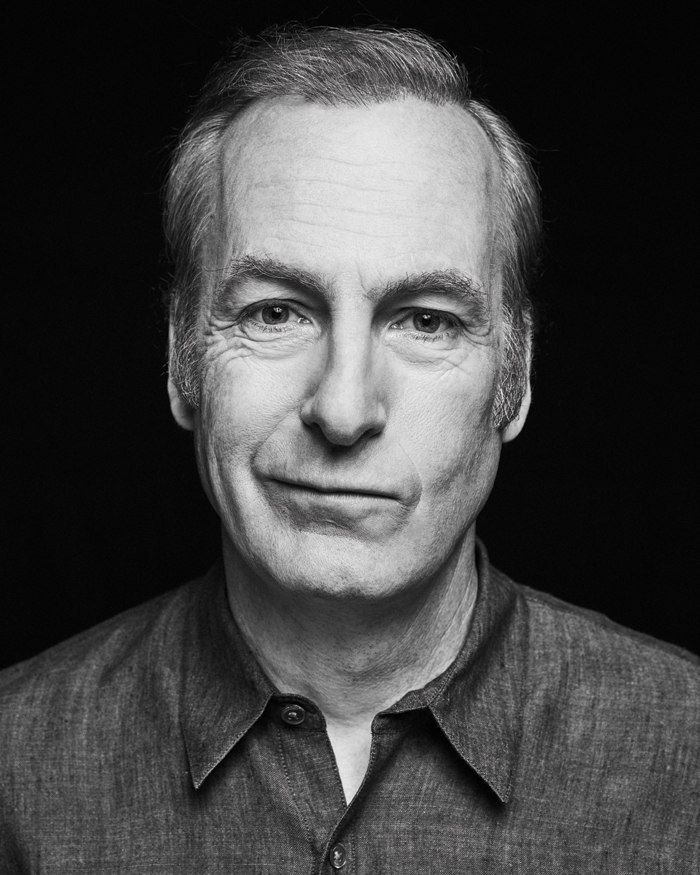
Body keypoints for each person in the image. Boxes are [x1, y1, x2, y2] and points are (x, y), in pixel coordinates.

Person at [1, 25, 697, 873]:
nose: (342, 407)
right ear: (182, 359)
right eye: (275, 311)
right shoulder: (15, 769)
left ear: (514, 379)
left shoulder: (684, 757)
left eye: (426, 320)